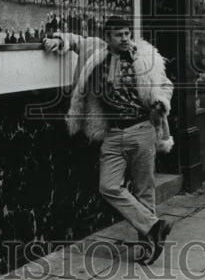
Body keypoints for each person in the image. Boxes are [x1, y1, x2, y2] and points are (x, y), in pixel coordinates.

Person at [43, 14, 174, 264]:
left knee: (144, 190)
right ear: (107, 38)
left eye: (127, 33)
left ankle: (148, 248)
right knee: (108, 186)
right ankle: (155, 226)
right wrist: (58, 40)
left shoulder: (146, 57)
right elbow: (76, 40)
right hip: (113, 133)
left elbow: (167, 85)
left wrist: (160, 103)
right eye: (118, 35)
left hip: (142, 128)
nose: (125, 39)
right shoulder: (96, 50)